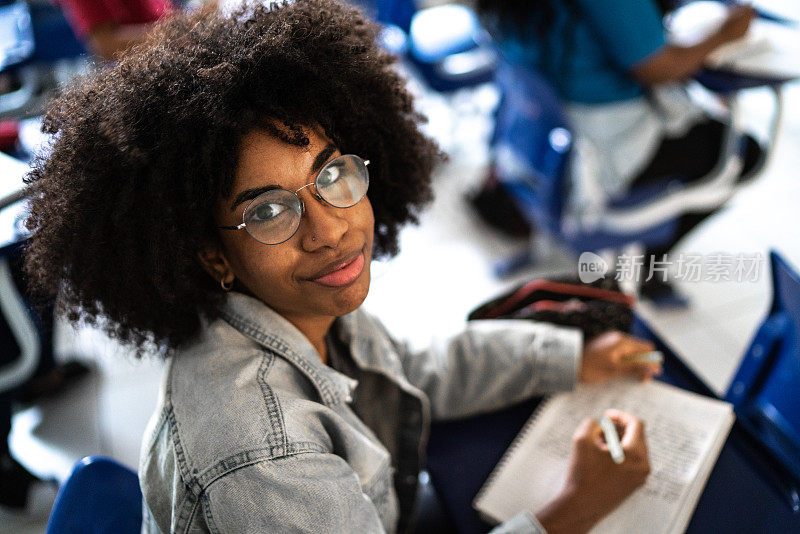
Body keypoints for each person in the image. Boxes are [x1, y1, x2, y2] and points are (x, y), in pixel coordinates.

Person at [23, 1, 661, 532]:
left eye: (330, 174)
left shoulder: (301, 310)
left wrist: (564, 358)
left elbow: (414, 370)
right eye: (269, 211)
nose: (331, 227)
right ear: (214, 254)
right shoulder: (259, 453)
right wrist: (574, 508)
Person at [476, 0, 763, 303]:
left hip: (532, 137)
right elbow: (658, 67)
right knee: (743, 154)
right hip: (599, 148)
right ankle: (649, 266)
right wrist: (723, 35)